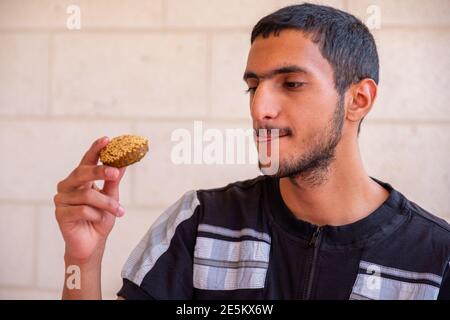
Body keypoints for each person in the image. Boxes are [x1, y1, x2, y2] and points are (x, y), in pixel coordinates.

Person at [54, 3, 450, 300]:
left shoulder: (437, 258)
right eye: (253, 86)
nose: (260, 109)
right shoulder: (200, 221)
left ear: (358, 100)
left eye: (292, 83)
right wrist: (82, 259)